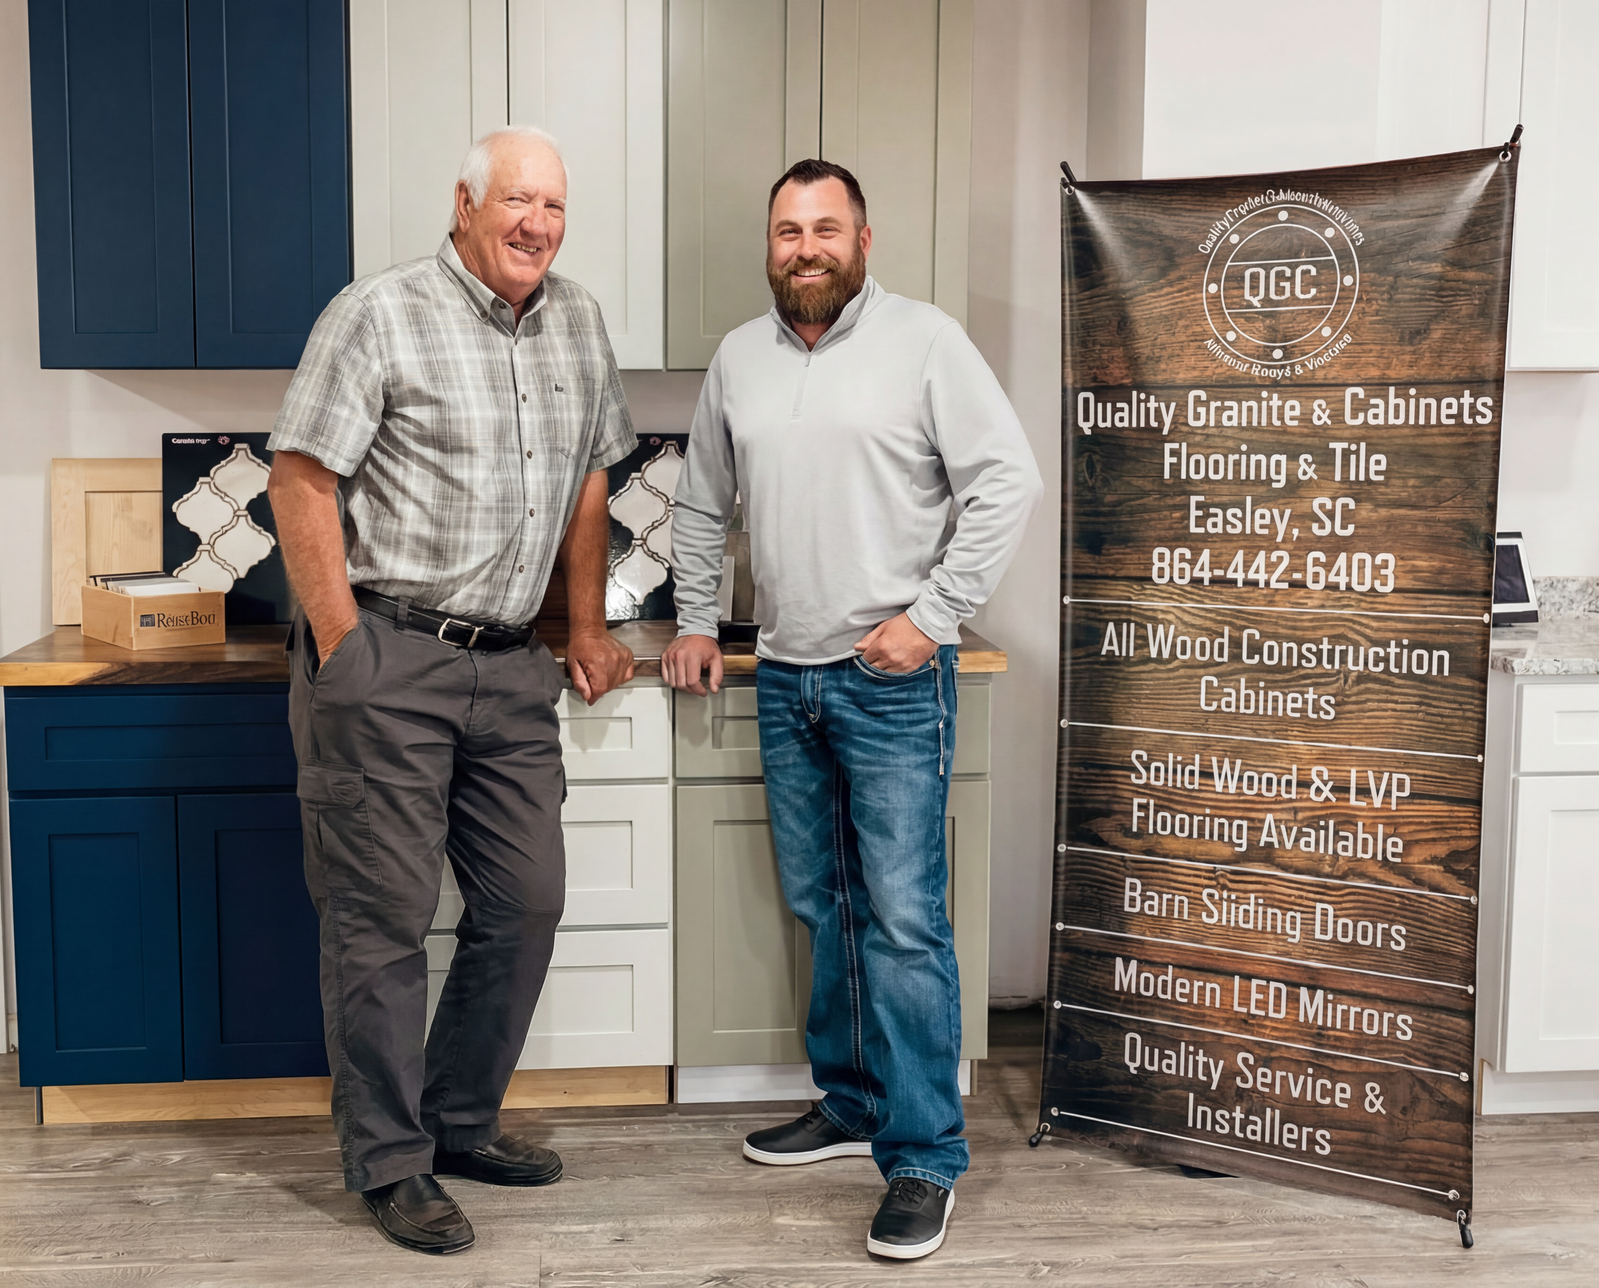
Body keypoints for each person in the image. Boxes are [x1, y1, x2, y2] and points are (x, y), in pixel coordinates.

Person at [266, 125, 638, 1257]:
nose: (537, 224)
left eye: (556, 207)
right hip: (390, 654)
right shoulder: (378, 312)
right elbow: (299, 474)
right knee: (379, 925)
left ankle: (460, 1122)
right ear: (466, 204)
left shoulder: (575, 318)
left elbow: (588, 476)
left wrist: (581, 620)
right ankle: (389, 1160)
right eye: (518, 201)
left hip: (512, 668)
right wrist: (344, 646)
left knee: (526, 901)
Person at [664, 158, 1042, 1261]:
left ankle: (925, 1152)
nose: (806, 247)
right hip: (786, 677)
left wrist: (933, 617)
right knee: (824, 905)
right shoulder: (740, 358)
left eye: (827, 227)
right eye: (788, 230)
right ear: (770, 245)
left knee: (904, 920)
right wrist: (694, 619)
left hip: (888, 681)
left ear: (865, 240)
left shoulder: (924, 341)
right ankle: (853, 1100)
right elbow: (699, 501)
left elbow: (1005, 481)